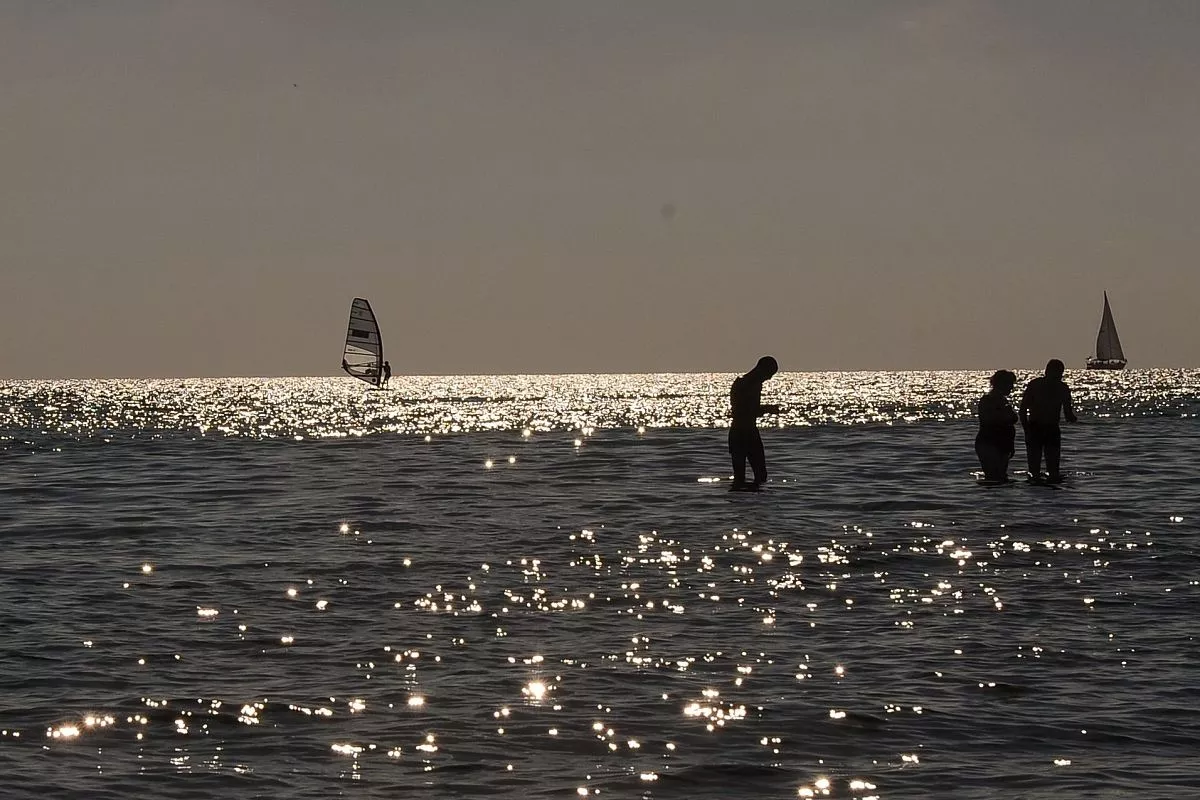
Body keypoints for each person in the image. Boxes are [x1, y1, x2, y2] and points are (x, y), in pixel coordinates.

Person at [1018, 359, 1078, 483]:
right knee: (1046, 470)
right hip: (1041, 428)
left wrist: (1026, 429)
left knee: (1041, 470)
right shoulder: (1060, 388)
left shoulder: (1038, 385)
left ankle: (1039, 482)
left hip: (1044, 428)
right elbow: (1069, 415)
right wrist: (1027, 429)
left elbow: (1023, 410)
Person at [728, 356, 781, 490]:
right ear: (761, 369)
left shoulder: (749, 384)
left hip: (747, 431)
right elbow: (744, 411)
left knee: (753, 476)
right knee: (748, 476)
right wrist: (767, 409)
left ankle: (749, 497)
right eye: (769, 374)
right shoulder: (746, 384)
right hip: (742, 433)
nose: (769, 378)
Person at [975, 370, 1017, 482]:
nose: (1012, 387)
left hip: (1001, 443)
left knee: (1000, 476)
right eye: (1010, 384)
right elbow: (990, 422)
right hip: (989, 442)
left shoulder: (1003, 400)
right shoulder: (988, 400)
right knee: (994, 477)